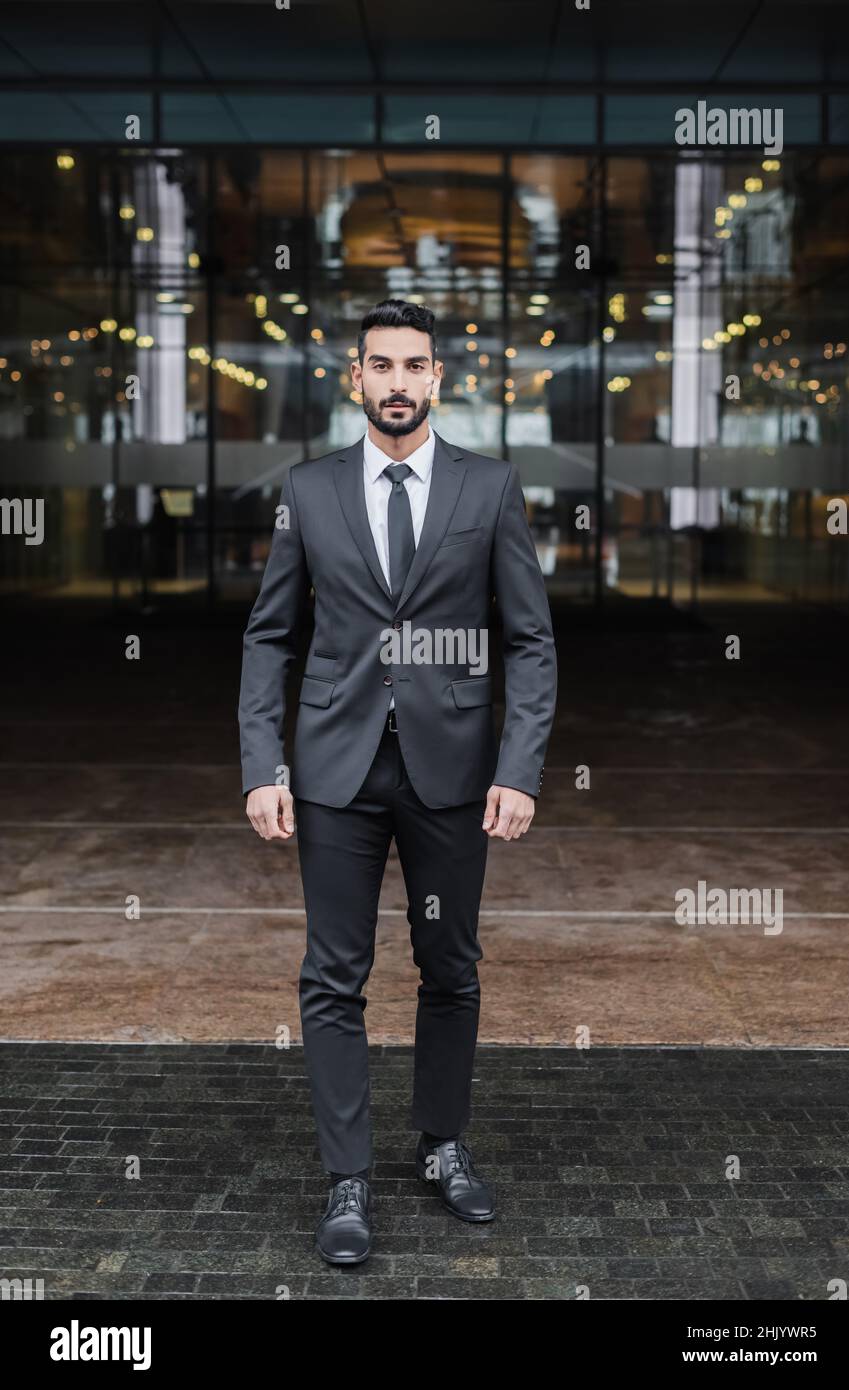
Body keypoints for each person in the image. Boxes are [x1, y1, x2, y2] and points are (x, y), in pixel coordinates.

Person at [238, 299, 556, 1265]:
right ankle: (347, 1177)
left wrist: (520, 767)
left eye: (415, 366)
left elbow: (530, 640)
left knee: (448, 968)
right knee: (333, 976)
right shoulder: (311, 487)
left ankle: (443, 1145)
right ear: (356, 378)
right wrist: (263, 765)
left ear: (437, 378)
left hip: (451, 770)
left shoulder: (489, 487)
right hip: (334, 769)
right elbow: (269, 635)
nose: (398, 382)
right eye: (381, 365)